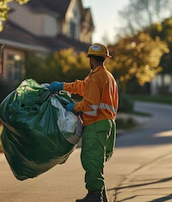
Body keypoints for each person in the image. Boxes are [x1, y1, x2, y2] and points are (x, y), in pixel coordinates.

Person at [46, 43, 118, 202]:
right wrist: (63, 86)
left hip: (96, 123)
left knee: (91, 159)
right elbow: (82, 87)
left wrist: (73, 107)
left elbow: (90, 106)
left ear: (91, 59)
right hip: (107, 124)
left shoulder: (97, 77)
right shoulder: (106, 76)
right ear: (104, 59)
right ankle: (101, 195)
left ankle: (94, 196)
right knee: (97, 160)